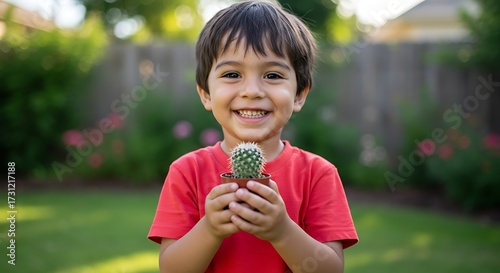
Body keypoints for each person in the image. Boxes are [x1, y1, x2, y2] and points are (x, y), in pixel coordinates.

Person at [148, 1, 358, 272]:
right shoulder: (187, 172)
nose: (252, 91)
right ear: (206, 94)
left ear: (299, 95)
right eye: (232, 74)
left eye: (272, 75)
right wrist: (210, 229)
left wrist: (282, 231)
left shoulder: (318, 174)